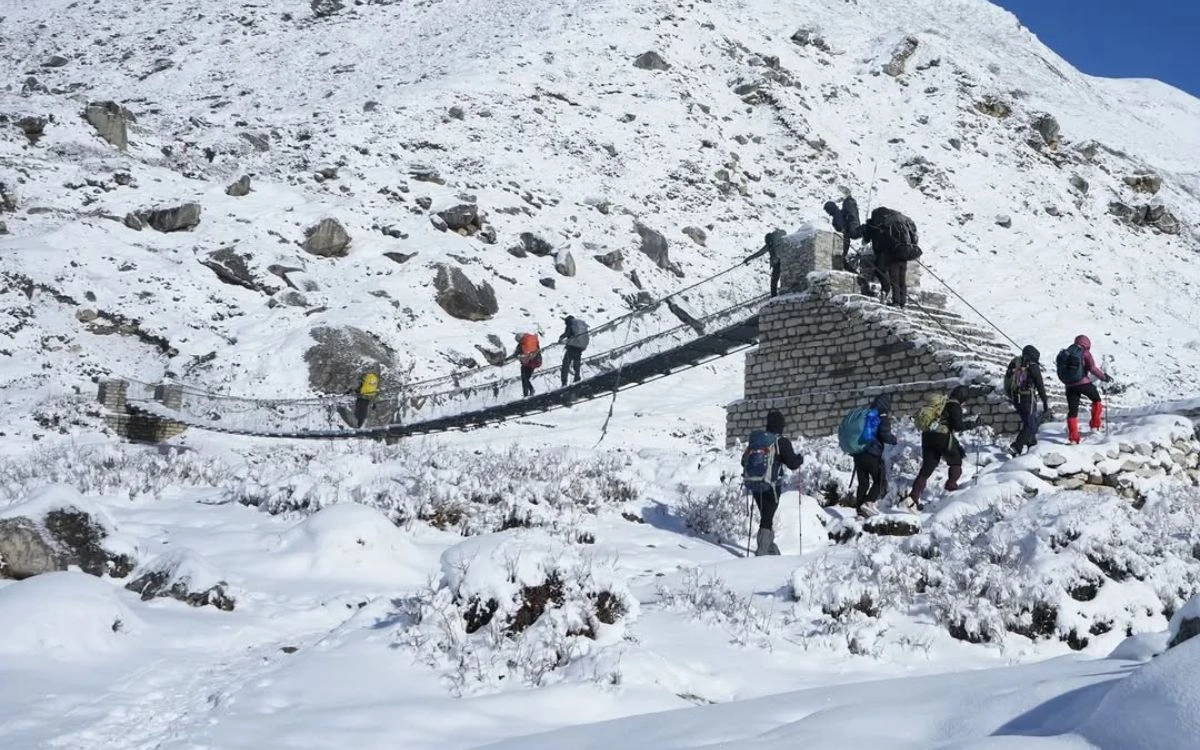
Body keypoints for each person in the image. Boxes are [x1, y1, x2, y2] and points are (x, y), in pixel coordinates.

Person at [741, 410, 804, 555]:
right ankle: (762, 553)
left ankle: (771, 548)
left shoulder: (757, 441)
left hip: (755, 484)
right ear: (781, 426)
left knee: (766, 516)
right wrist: (800, 459)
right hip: (772, 486)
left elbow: (743, 461)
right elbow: (793, 464)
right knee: (767, 518)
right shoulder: (781, 441)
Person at [906, 385, 975, 510]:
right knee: (955, 460)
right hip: (941, 436)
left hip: (927, 436)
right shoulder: (954, 406)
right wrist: (973, 423)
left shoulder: (941, 404)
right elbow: (958, 426)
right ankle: (951, 488)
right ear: (963, 398)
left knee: (927, 468)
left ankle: (912, 498)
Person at [859, 206, 921, 307]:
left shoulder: (881, 225)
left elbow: (879, 240)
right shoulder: (900, 223)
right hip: (904, 253)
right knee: (902, 280)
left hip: (893, 254)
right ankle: (902, 302)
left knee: (893, 278)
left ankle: (895, 300)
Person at [1056, 335, 1111, 444]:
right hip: (1083, 383)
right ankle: (1095, 425)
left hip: (1069, 386)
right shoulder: (1084, 353)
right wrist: (1104, 377)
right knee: (1096, 400)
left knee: (1072, 411)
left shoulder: (1066, 353)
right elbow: (1092, 369)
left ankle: (1074, 438)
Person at [852, 394, 898, 518]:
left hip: (858, 454)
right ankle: (869, 502)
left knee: (863, 483)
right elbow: (885, 435)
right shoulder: (881, 417)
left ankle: (860, 510)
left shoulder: (866, 415)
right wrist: (895, 440)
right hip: (872, 454)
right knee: (880, 481)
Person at [1004, 345, 1050, 456]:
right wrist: (1044, 401)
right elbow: (1040, 385)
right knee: (1031, 425)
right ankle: (1016, 447)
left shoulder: (1016, 363)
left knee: (1028, 423)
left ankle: (1032, 447)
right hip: (1027, 398)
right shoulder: (1033, 366)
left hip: (1016, 398)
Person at [742, 229, 787, 297]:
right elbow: (759, 253)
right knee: (779, 278)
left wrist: (748, 259)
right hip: (782, 262)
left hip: (777, 263)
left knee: (774, 280)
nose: (769, 244)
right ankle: (781, 292)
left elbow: (759, 253)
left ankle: (774, 295)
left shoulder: (770, 245)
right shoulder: (777, 243)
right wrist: (748, 259)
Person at [558, 315, 589, 386]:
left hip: (571, 347)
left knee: (565, 365)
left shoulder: (570, 324)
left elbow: (567, 333)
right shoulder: (581, 325)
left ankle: (564, 382)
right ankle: (577, 378)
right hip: (580, 347)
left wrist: (561, 337)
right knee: (577, 363)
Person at [513, 332, 542, 398]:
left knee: (524, 378)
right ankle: (528, 392)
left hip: (527, 363)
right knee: (526, 378)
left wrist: (519, 356)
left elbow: (517, 353)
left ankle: (527, 392)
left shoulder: (523, 344)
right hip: (534, 362)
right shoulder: (532, 341)